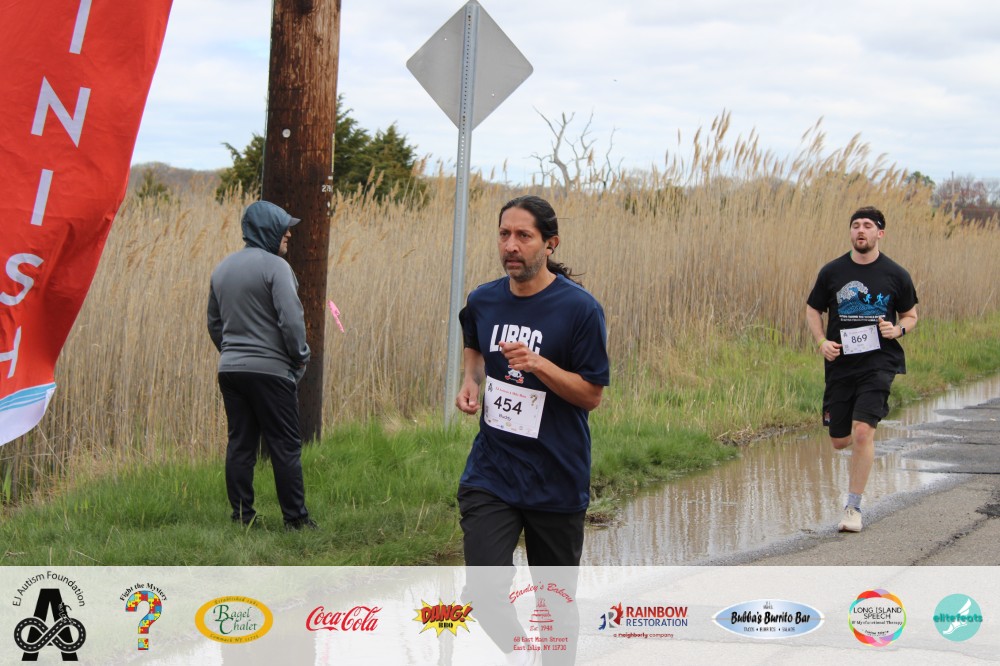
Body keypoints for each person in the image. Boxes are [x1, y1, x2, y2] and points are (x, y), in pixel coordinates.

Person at [455, 195, 609, 664]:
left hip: (556, 475)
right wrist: (470, 380)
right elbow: (473, 341)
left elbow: (591, 395)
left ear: (550, 243)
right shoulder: (483, 299)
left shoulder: (580, 309)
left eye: (524, 236)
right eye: (504, 234)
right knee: (483, 590)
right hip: (493, 470)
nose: (511, 245)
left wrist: (540, 365)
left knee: (554, 609)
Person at [806, 206, 918, 533]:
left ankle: (853, 507)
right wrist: (821, 342)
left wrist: (898, 330)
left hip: (878, 363)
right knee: (840, 440)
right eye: (856, 225)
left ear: (879, 233)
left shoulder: (896, 274)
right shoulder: (832, 272)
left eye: (868, 225)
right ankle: (859, 444)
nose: (861, 230)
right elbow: (813, 309)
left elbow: (910, 315)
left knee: (862, 432)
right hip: (841, 364)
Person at [207, 200, 316, 530]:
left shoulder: (221, 269)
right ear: (267, 229)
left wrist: (231, 352)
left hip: (230, 370)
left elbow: (214, 323)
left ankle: (242, 518)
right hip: (271, 372)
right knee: (285, 446)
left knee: (240, 445)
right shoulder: (276, 267)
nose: (289, 234)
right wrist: (299, 355)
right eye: (284, 228)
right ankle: (296, 520)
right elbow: (291, 320)